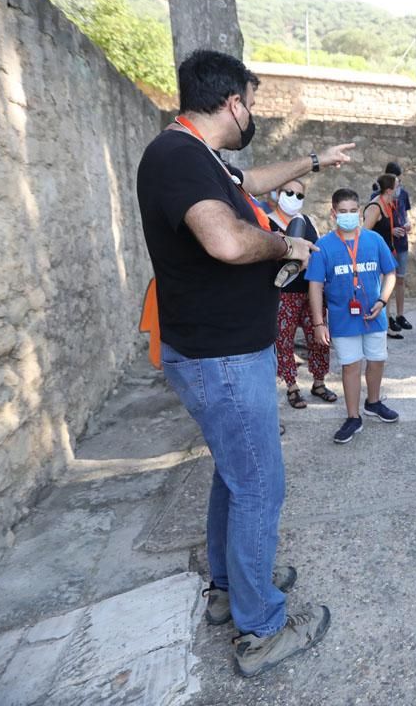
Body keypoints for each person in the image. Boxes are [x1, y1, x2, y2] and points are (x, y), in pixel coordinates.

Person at [136, 49, 352, 676]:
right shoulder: (177, 157)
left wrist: (314, 160)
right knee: (259, 484)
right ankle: (261, 628)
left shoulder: (192, 155)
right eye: (251, 102)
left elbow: (248, 185)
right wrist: (286, 243)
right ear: (232, 102)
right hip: (222, 357)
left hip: (219, 351)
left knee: (235, 475)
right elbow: (227, 239)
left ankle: (232, 588)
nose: (252, 112)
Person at [307, 188, 401, 444]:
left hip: (374, 316)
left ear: (359, 212)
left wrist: (382, 300)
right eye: (343, 212)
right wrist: (318, 322)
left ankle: (373, 402)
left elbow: (390, 273)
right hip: (342, 318)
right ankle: (353, 417)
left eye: (352, 211)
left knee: (377, 359)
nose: (348, 216)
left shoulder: (374, 240)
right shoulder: (323, 246)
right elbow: (314, 285)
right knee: (350, 366)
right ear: (333, 213)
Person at [268, 178, 336, 408]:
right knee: (283, 340)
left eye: (299, 195)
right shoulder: (267, 223)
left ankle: (319, 382)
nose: (294, 198)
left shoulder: (307, 221)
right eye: (289, 192)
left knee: (319, 337)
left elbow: (318, 250)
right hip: (282, 292)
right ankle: (292, 386)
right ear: (277, 193)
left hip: (311, 291)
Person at [363, 174, 405, 340]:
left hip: (387, 254)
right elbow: (364, 233)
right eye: (397, 185)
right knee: (378, 293)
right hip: (376, 257)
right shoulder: (375, 207)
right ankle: (377, 330)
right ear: (389, 190)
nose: (399, 187)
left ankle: (385, 327)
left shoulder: (388, 204)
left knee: (386, 293)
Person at [384, 162, 413, 332]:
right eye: (396, 181)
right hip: (388, 244)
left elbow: (404, 214)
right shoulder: (377, 194)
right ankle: (388, 317)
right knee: (388, 280)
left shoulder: (404, 194)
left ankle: (400, 315)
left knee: (400, 279)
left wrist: (407, 224)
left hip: (402, 242)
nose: (399, 185)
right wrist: (391, 229)